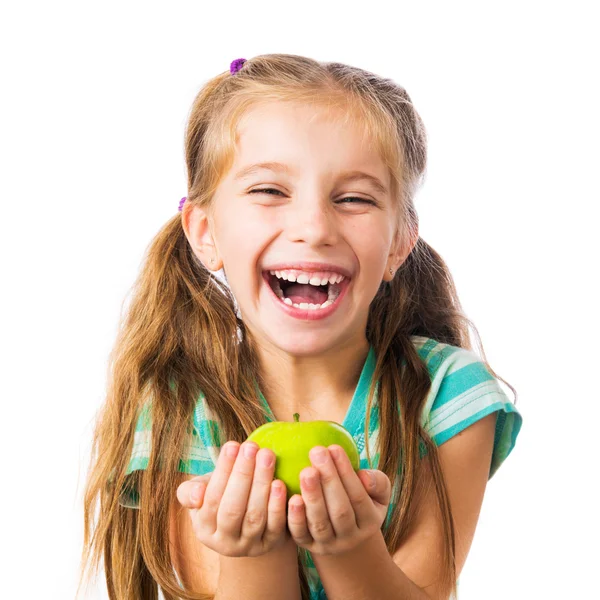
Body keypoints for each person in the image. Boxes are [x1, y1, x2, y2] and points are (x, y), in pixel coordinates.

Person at [79, 54, 523, 600]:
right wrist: (254, 552)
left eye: (355, 199)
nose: (313, 228)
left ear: (400, 241)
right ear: (204, 231)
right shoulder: (177, 406)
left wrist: (351, 549)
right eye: (269, 191)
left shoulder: (448, 395)